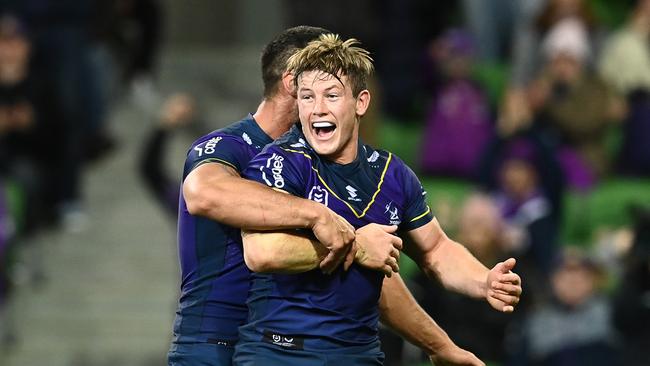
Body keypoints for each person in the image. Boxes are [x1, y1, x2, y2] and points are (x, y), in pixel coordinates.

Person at [169, 26, 483, 366]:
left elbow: (366, 272)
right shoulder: (232, 147)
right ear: (294, 82)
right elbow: (202, 192)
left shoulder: (325, 166)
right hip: (211, 345)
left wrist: (439, 345)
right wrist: (317, 215)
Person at [235, 33, 522, 365]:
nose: (318, 109)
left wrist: (483, 280)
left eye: (331, 95)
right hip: (282, 353)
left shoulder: (392, 174)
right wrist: (357, 246)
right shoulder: (279, 162)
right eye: (307, 97)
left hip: (360, 354)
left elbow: (436, 249)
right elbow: (262, 252)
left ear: (360, 103)